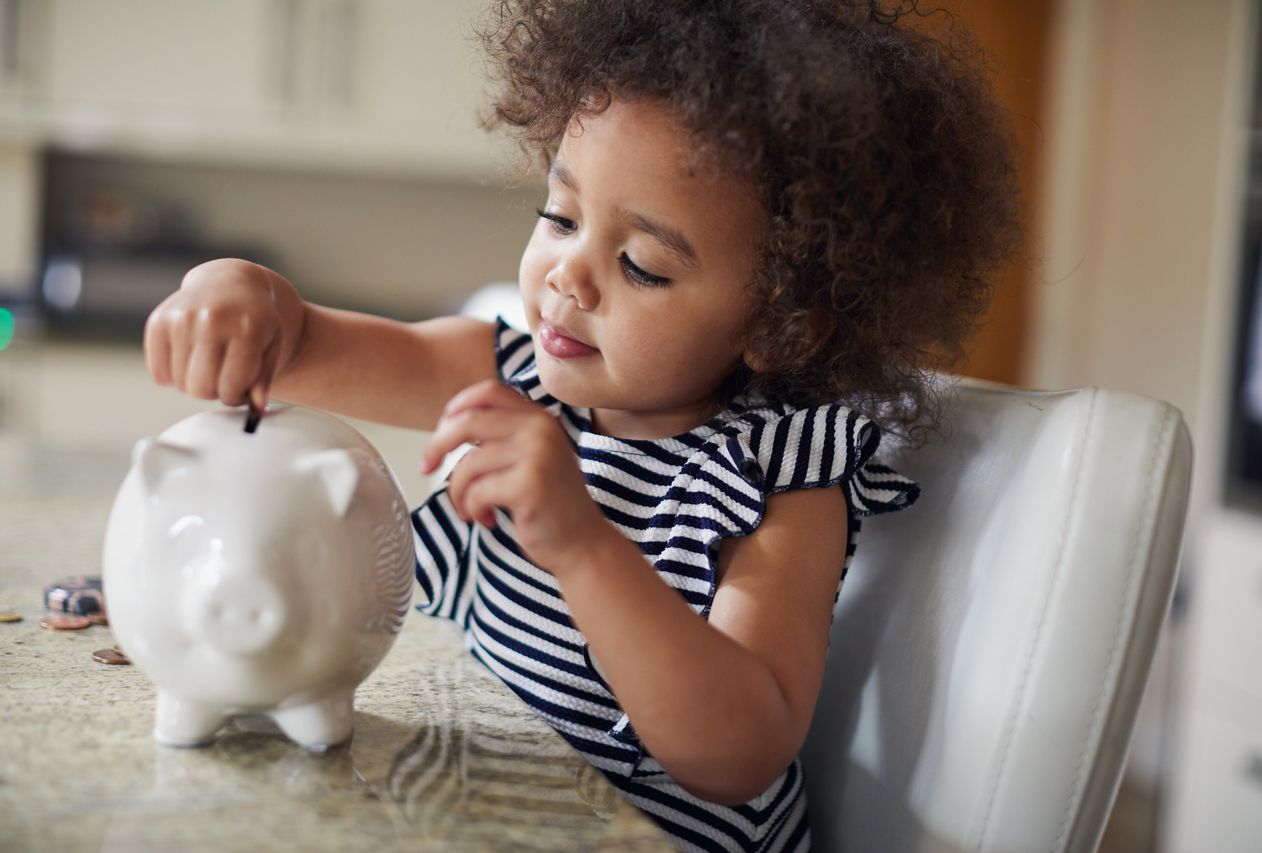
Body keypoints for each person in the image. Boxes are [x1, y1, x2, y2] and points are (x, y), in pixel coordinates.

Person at [143, 1, 1019, 849]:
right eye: (561, 217)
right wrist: (238, 290)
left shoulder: (775, 477)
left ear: (779, 323)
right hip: (492, 802)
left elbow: (738, 752)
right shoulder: (517, 370)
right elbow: (303, 345)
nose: (568, 276)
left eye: (640, 265)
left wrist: (582, 541)